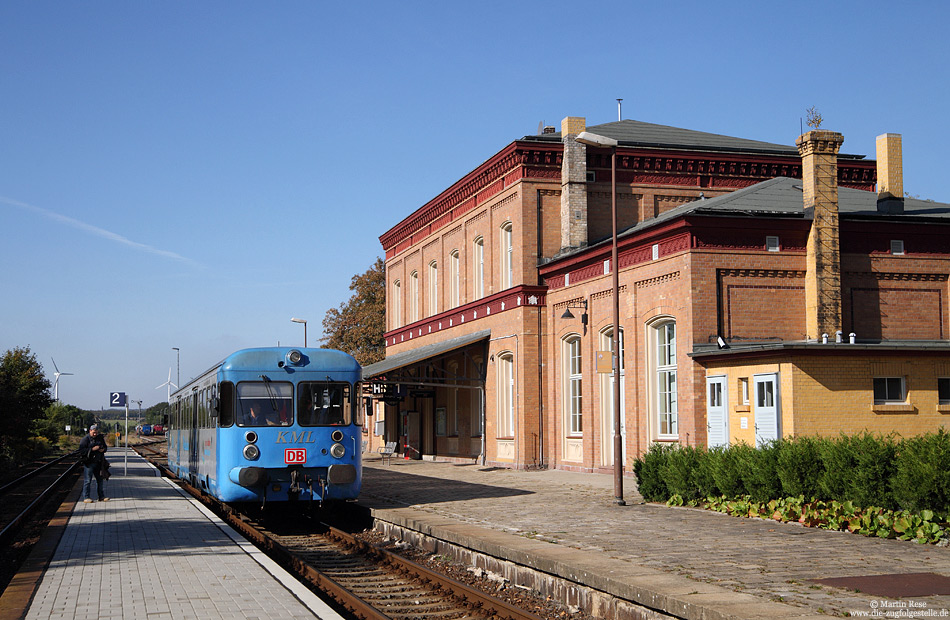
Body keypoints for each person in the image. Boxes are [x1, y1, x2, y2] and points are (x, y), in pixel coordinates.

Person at [78, 424, 109, 503]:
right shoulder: (85, 439)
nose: (95, 434)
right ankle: (86, 497)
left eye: (96, 432)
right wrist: (92, 449)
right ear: (90, 431)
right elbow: (81, 451)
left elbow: (105, 447)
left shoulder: (100, 438)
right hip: (89, 463)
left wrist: (103, 449)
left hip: (99, 462)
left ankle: (101, 496)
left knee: (100, 480)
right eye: (93, 432)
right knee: (88, 480)